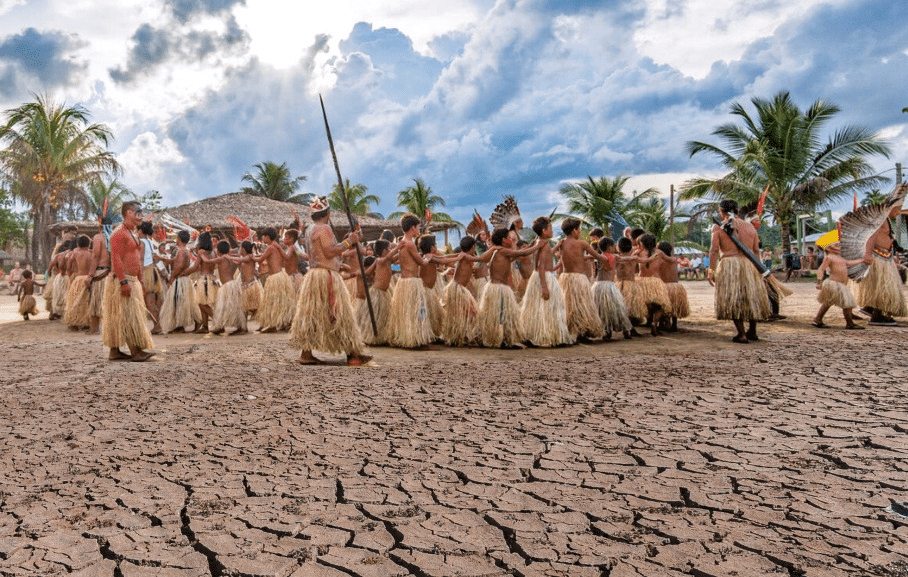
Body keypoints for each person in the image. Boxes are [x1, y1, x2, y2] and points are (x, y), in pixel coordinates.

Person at [289, 196, 371, 366]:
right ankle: (352, 354)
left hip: (314, 276)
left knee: (313, 314)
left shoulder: (310, 229)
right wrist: (350, 241)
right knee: (340, 314)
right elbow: (330, 251)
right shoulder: (324, 228)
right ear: (327, 213)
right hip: (326, 277)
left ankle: (306, 353)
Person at [708, 199, 771, 343]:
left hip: (730, 264)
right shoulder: (750, 227)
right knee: (751, 297)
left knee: (733, 298)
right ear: (737, 210)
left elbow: (714, 251)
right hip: (750, 265)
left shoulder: (718, 226)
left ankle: (742, 334)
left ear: (721, 211)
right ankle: (752, 331)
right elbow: (756, 251)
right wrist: (759, 270)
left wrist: (710, 270)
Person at [102, 201, 155, 361]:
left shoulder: (132, 233)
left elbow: (137, 259)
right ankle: (136, 351)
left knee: (123, 314)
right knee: (126, 314)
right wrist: (123, 282)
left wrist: (140, 280)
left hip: (132, 280)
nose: (141, 216)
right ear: (129, 213)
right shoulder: (118, 233)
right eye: (138, 212)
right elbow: (116, 259)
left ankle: (115, 351)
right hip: (121, 280)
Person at [479, 227, 540, 348]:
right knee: (503, 316)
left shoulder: (500, 251)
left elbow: (517, 255)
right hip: (499, 289)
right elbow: (521, 253)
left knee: (509, 315)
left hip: (499, 288)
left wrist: (532, 243)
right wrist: (538, 246)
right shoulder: (502, 250)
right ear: (503, 240)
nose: (511, 240)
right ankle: (505, 340)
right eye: (509, 237)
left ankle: (516, 337)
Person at [559, 217, 615, 342]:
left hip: (566, 278)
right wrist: (607, 258)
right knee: (582, 305)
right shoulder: (582, 243)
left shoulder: (561, 242)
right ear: (574, 231)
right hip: (579, 278)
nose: (580, 232)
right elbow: (596, 255)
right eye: (579, 229)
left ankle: (569, 333)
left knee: (569, 306)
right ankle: (581, 334)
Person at [387, 214, 439, 349]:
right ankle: (415, 339)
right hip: (412, 282)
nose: (419, 229)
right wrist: (428, 258)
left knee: (407, 312)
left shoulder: (403, 243)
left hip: (403, 282)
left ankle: (408, 338)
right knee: (417, 311)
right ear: (412, 228)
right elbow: (421, 263)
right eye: (418, 227)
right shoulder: (410, 244)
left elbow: (393, 260)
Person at [521, 216, 572, 347]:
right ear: (544, 231)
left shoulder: (540, 242)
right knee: (549, 308)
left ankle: (536, 335)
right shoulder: (543, 243)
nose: (552, 230)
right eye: (550, 228)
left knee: (538, 309)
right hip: (544, 278)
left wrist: (558, 246)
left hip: (537, 277)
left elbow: (547, 255)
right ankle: (548, 336)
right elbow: (541, 266)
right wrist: (544, 287)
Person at [853, 201, 908, 325]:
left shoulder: (884, 219)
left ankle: (870, 308)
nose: (899, 212)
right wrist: (867, 253)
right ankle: (876, 316)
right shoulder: (880, 219)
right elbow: (871, 236)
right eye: (897, 209)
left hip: (884, 256)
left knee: (881, 286)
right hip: (878, 258)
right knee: (883, 287)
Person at [443, 236, 495, 346]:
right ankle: (460, 336)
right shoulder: (466, 257)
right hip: (458, 289)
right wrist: (493, 249)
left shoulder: (466, 256)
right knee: (471, 314)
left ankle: (461, 335)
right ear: (472, 247)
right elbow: (481, 259)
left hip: (460, 289)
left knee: (469, 314)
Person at [812, 242, 865, 329]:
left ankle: (818, 319)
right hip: (833, 284)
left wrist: (862, 260)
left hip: (841, 285)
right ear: (829, 248)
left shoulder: (839, 257)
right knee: (847, 303)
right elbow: (821, 269)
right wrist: (819, 282)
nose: (839, 247)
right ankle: (850, 323)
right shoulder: (829, 257)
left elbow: (848, 262)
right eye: (836, 246)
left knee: (828, 303)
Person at [158, 230, 202, 333]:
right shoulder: (184, 250)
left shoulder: (182, 250)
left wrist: (172, 276)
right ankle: (180, 325)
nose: (176, 240)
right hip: (183, 280)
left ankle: (190, 323)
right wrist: (161, 258)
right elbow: (176, 261)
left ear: (179, 239)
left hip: (180, 280)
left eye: (177, 238)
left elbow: (180, 265)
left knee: (178, 301)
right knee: (181, 302)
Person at [255, 227, 296, 333]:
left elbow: (260, 259)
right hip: (280, 276)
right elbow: (286, 257)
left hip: (275, 278)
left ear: (267, 237)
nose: (262, 238)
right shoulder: (275, 246)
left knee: (272, 302)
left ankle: (274, 325)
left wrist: (249, 257)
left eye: (263, 236)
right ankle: (281, 323)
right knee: (279, 302)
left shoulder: (270, 248)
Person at [592, 237, 634, 340]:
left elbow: (589, 256)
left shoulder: (599, 257)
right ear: (610, 248)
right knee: (617, 309)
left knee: (602, 310)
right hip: (609, 286)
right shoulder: (613, 257)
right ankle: (624, 331)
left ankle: (608, 331)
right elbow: (627, 259)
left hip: (598, 286)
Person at [137, 221, 164, 334]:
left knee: (149, 302)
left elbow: (141, 259)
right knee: (150, 301)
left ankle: (157, 326)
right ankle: (157, 325)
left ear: (141, 231)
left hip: (146, 272)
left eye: (137, 230)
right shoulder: (149, 241)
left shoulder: (141, 242)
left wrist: (140, 275)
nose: (136, 232)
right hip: (152, 271)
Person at [63, 235, 93, 330]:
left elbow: (68, 267)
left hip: (78, 278)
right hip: (89, 279)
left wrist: (71, 275)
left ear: (78, 244)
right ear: (89, 244)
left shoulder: (75, 253)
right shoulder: (92, 254)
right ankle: (87, 323)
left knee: (75, 301)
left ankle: (74, 323)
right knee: (87, 301)